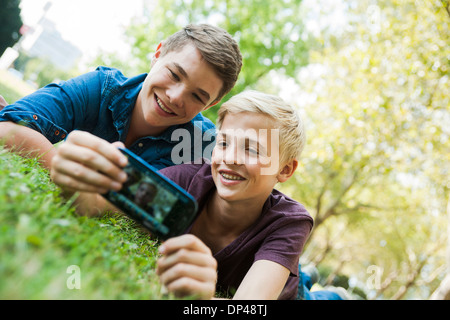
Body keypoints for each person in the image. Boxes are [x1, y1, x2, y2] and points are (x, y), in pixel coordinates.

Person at [0, 23, 242, 216]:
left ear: (210, 105)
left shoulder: (202, 146)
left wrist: (94, 195)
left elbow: (159, 206)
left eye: (197, 96)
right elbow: (9, 128)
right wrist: (63, 169)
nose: (175, 97)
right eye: (174, 74)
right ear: (157, 55)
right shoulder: (102, 86)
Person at [154, 90, 313, 299]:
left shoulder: (290, 222)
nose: (230, 158)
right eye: (223, 143)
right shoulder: (187, 180)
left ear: (284, 170)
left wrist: (203, 299)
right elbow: (114, 202)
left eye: (252, 150)